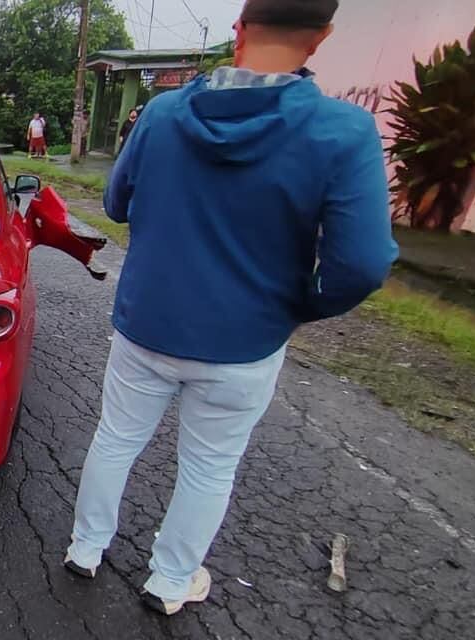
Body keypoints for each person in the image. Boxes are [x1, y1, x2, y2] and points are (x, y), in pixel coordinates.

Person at [64, 0, 397, 616]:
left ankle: (86, 547)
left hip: (146, 326)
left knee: (115, 439)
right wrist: (298, 306)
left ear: (239, 31)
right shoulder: (342, 132)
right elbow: (365, 263)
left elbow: (114, 203)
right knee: (209, 467)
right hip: (243, 343)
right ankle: (169, 581)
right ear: (320, 39)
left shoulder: (163, 114)